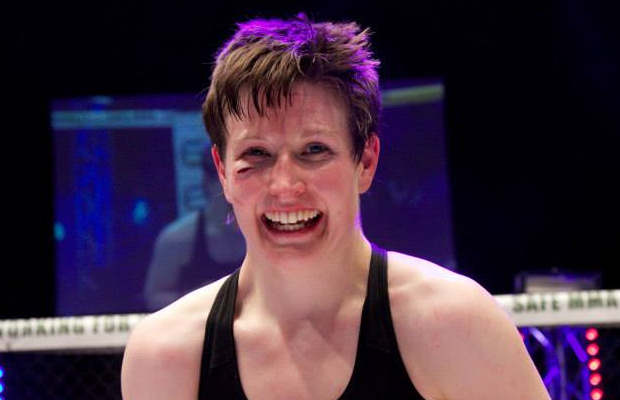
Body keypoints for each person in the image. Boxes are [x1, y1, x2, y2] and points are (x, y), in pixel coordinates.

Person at [121, 14, 551, 399]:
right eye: (257, 154)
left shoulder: (453, 324)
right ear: (223, 172)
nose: (285, 186)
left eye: (314, 150)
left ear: (365, 162)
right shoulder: (166, 355)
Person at [143, 146, 245, 311]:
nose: (233, 195)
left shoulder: (267, 233)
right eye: (225, 183)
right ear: (207, 182)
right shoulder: (177, 239)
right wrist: (205, 301)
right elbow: (154, 296)